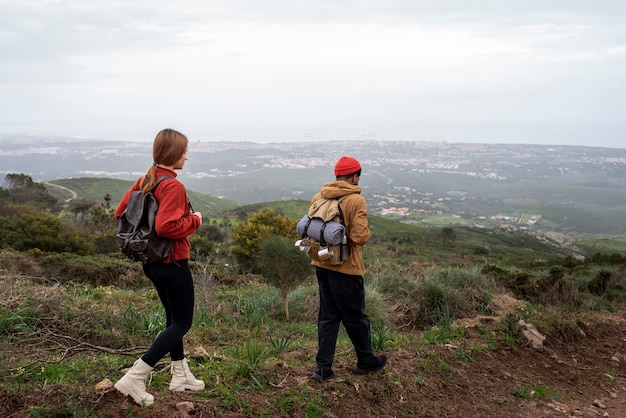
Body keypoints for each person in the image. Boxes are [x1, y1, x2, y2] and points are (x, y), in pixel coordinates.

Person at [113, 128, 204, 406]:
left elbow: (120, 212)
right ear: (175, 154)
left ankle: (180, 374)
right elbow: (166, 226)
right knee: (182, 322)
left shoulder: (146, 179)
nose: (187, 157)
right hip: (173, 261)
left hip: (151, 263)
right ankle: (136, 377)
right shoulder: (173, 186)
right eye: (184, 152)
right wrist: (196, 220)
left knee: (173, 319)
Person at [309, 156, 387, 383]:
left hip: (322, 263)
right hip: (346, 267)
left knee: (328, 317)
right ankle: (365, 361)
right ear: (354, 176)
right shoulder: (355, 200)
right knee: (356, 317)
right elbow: (360, 237)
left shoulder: (319, 196)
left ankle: (322, 369)